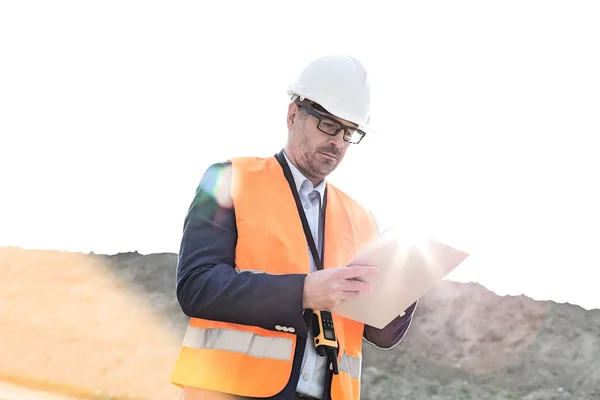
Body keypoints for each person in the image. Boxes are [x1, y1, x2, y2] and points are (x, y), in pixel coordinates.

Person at [169, 55, 418, 400]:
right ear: (292, 115)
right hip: (232, 390)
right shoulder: (230, 179)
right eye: (329, 125)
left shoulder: (362, 219)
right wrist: (303, 292)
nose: (338, 142)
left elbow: (381, 335)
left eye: (349, 132)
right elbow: (197, 287)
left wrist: (407, 288)